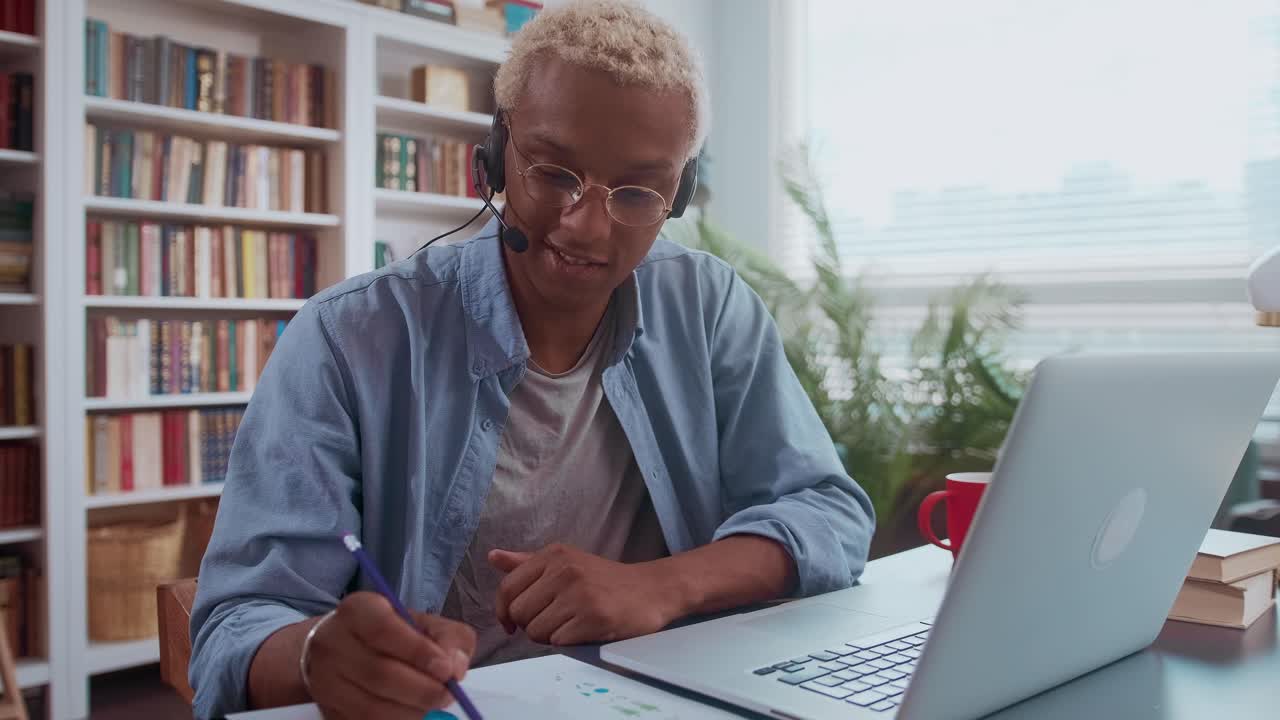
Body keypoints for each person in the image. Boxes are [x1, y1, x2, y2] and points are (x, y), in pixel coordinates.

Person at [188, 1, 875, 718]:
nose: (585, 224)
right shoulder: (348, 339)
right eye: (553, 172)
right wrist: (313, 655)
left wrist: (662, 585)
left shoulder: (707, 308)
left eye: (638, 191)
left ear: (678, 195)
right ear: (493, 155)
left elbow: (828, 513)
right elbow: (234, 632)